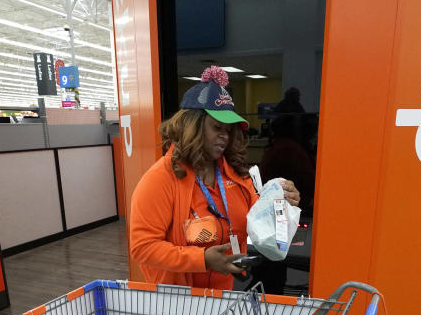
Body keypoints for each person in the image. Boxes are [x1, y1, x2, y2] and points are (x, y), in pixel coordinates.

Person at [129, 66, 300, 290]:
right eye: (217, 127)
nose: (224, 137)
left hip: (223, 297)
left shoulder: (236, 175)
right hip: (178, 303)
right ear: (192, 126)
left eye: (228, 130)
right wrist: (202, 259)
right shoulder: (160, 180)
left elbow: (260, 219)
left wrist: (281, 201)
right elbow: (142, 247)